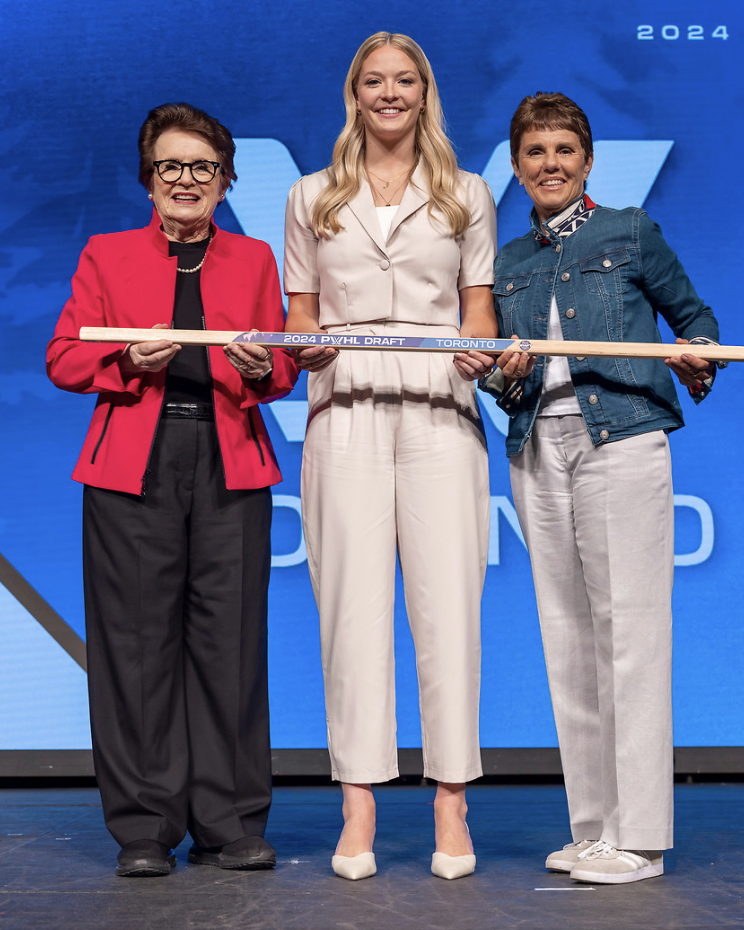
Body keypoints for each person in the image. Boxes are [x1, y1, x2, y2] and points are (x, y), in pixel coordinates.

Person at [47, 103, 298, 877]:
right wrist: (128, 361)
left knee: (230, 644)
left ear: (225, 181)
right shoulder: (107, 254)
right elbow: (63, 358)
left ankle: (229, 822)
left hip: (227, 456)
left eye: (201, 167)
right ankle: (145, 827)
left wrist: (264, 370)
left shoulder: (254, 259)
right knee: (135, 645)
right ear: (148, 181)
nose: (185, 181)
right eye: (170, 167)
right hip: (133, 460)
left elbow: (284, 365)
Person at [479, 92, 721, 884]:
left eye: (564, 150)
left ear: (587, 161)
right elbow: (506, 385)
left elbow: (696, 320)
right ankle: (594, 828)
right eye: (535, 153)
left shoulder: (629, 231)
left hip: (621, 437)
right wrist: (500, 378)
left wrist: (701, 354)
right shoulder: (507, 263)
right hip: (536, 445)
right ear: (516, 168)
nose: (550, 164)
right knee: (567, 638)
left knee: (631, 634)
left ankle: (641, 838)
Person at [284, 32, 497, 881]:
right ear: (354, 92)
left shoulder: (466, 191)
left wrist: (478, 352)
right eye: (374, 80)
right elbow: (299, 310)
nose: (390, 93)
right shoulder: (312, 194)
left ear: (424, 91)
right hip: (342, 404)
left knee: (449, 605)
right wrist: (304, 348)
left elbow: (476, 306)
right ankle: (358, 803)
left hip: (441, 402)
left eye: (404, 80)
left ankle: (452, 800)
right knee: (350, 609)